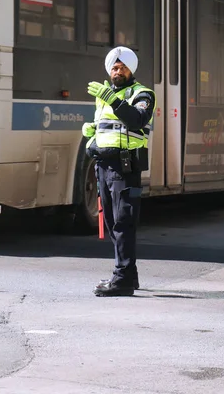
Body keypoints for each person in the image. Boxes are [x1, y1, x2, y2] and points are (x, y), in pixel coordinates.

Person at [82, 46, 156, 297]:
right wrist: (92, 133)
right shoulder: (104, 97)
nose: (118, 71)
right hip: (104, 166)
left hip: (125, 166)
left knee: (124, 221)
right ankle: (128, 274)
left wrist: (113, 99)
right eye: (114, 67)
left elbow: (136, 120)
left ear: (131, 70)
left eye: (122, 67)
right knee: (112, 222)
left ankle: (122, 278)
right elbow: (108, 127)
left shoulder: (142, 93)